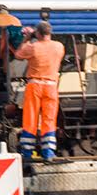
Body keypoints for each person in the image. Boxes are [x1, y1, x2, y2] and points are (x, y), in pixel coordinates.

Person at [13, 20, 65, 160]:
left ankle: (27, 152)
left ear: (38, 33)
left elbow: (18, 54)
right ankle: (48, 153)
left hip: (35, 86)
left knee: (30, 118)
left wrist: (27, 38)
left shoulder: (33, 47)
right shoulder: (59, 46)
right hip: (51, 86)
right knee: (49, 119)